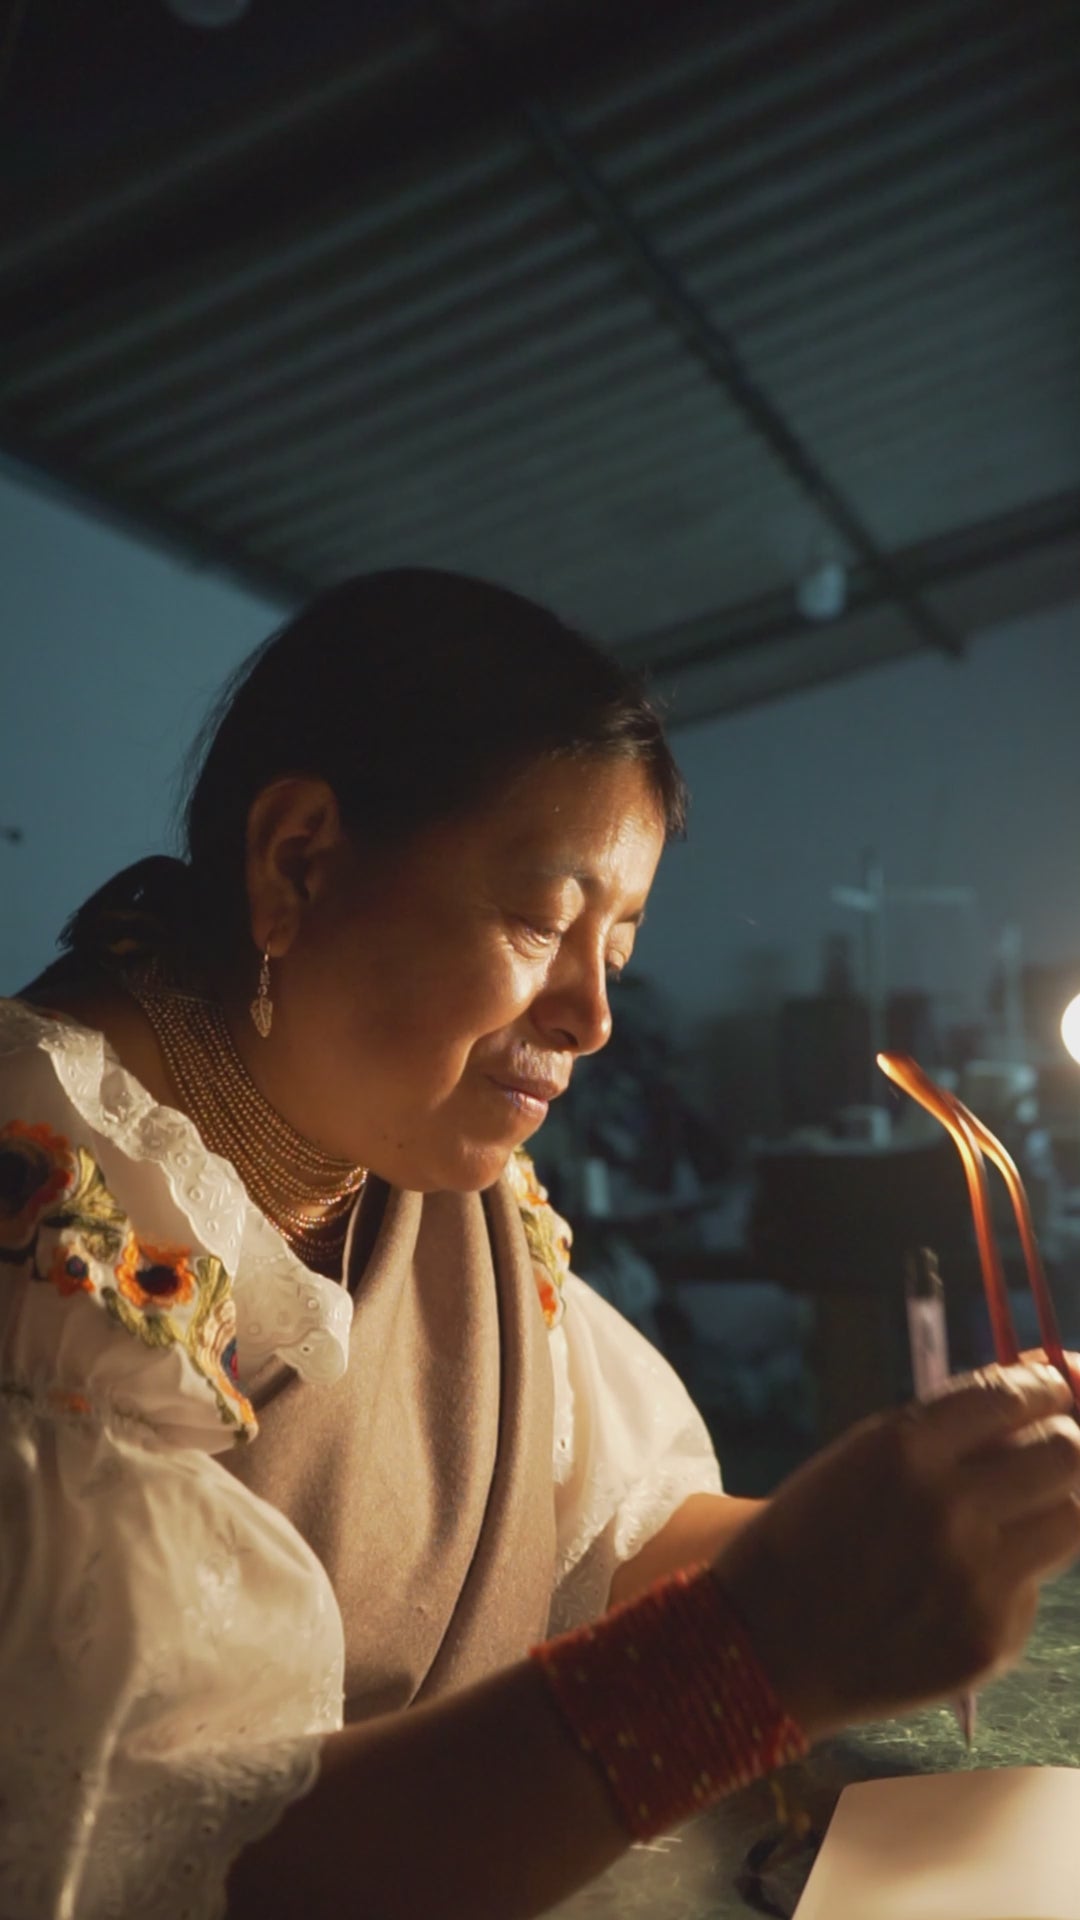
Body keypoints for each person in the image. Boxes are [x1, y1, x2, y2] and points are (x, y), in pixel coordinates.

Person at [1, 569, 1078, 1920]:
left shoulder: (443, 1181)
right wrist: (759, 1651)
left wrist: (918, 1531)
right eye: (542, 923)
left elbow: (603, 1539)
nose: (592, 1019)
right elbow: (170, 1864)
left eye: (613, 952)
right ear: (300, 859)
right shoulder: (46, 1219)